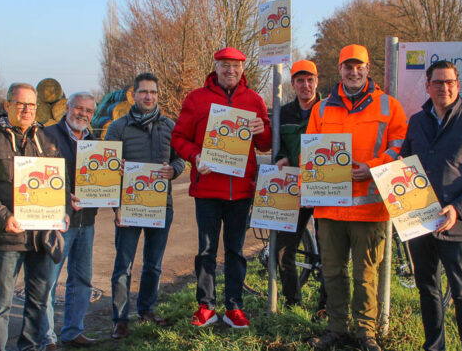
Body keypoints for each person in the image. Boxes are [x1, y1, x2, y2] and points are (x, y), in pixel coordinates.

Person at [305, 44, 407, 351]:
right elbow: (308, 155)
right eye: (347, 66)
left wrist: (373, 169)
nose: (353, 72)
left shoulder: (389, 106)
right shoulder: (320, 109)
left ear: (367, 68)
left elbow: (400, 145)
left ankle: (366, 332)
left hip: (370, 209)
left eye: (358, 66)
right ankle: (337, 328)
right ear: (339, 70)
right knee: (333, 273)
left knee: (366, 276)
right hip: (330, 210)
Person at [400, 60, 462, 351]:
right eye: (438, 82)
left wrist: (457, 208)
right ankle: (434, 347)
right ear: (427, 86)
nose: (444, 88)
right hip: (420, 222)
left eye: (450, 83)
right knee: (427, 289)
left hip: (457, 223)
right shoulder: (417, 121)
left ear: (458, 85)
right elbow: (406, 164)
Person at [171, 47, 271, 329]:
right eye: (225, 65)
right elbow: (178, 137)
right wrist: (196, 156)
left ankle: (234, 307)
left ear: (243, 69)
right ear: (215, 67)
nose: (230, 70)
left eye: (235, 66)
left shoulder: (254, 100)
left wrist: (261, 129)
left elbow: (265, 144)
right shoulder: (197, 99)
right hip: (208, 190)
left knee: (236, 250)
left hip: (241, 190)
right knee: (206, 249)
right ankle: (206, 306)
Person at [0, 83, 65, 351]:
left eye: (31, 105)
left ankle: (29, 347)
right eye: (20, 104)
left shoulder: (48, 141)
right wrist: (3, 217)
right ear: (7, 105)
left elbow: (58, 183)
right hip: (8, 236)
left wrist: (63, 208)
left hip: (41, 237)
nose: (26, 110)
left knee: (37, 300)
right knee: (1, 303)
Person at [105, 72, 185, 339]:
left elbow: (181, 160)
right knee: (123, 264)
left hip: (162, 206)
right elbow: (107, 168)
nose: (149, 97)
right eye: (143, 92)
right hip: (128, 206)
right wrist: (116, 204)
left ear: (158, 95)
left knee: (154, 264)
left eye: (153, 92)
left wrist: (173, 171)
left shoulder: (170, 126)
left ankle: (147, 309)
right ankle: (120, 318)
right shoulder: (118, 128)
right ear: (134, 94)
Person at [40, 92, 100, 350]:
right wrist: (64, 197)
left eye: (88, 111)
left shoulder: (94, 141)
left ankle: (73, 330)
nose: (83, 114)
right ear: (67, 108)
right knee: (48, 281)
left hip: (86, 221)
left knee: (81, 279)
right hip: (57, 221)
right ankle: (46, 337)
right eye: (79, 108)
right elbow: (40, 175)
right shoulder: (47, 136)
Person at [274, 60, 327, 313]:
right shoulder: (283, 113)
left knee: (330, 252)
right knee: (284, 251)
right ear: (293, 84)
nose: (305, 85)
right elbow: (277, 143)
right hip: (294, 187)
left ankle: (324, 308)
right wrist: (281, 155)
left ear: (317, 81)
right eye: (300, 81)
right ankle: (292, 302)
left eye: (310, 80)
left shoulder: (330, 109)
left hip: (324, 187)